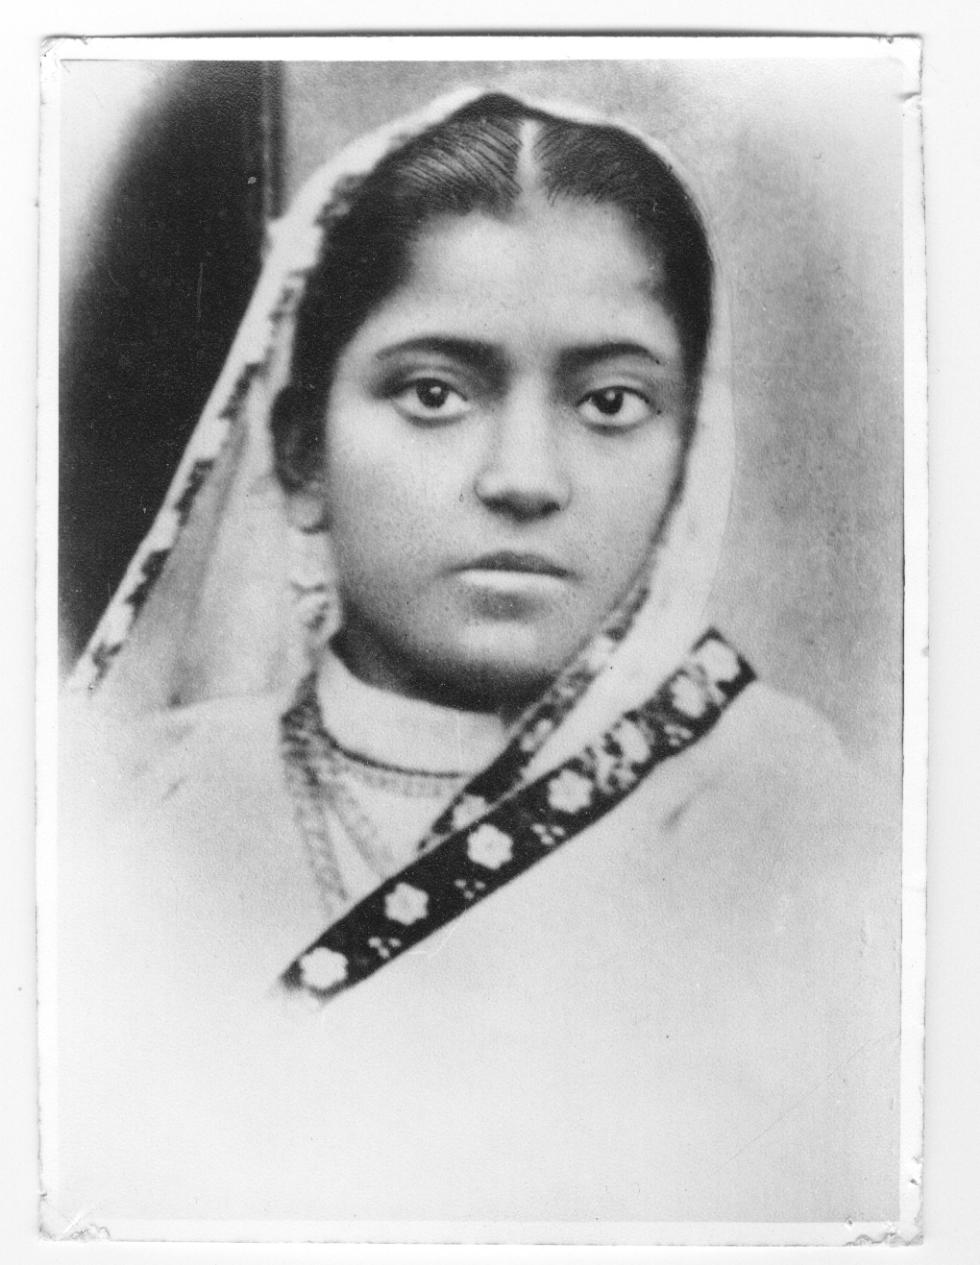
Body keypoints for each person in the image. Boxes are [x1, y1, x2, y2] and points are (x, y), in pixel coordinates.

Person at [53, 89, 899, 1230]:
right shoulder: (135, 813)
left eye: (610, 401)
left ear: (688, 454)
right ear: (301, 455)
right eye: (434, 392)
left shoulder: (787, 817)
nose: (523, 477)